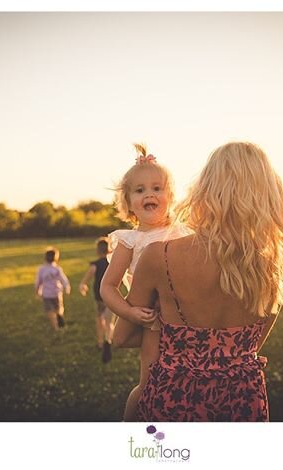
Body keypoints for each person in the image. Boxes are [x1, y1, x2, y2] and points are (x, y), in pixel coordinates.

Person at [115, 141, 283, 421]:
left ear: (206, 188)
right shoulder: (274, 265)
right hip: (243, 401)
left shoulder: (160, 256)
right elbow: (249, 346)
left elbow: (121, 337)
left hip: (173, 400)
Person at [100, 143, 191, 421]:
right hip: (152, 318)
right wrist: (129, 312)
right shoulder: (130, 241)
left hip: (187, 317)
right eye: (139, 191)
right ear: (127, 203)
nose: (149, 194)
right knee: (150, 382)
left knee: (186, 381)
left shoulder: (184, 234)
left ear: (170, 196)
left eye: (156, 188)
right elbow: (107, 287)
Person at [79, 237, 116, 363]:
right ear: (109, 250)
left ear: (98, 251)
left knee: (100, 319)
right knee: (109, 321)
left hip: (99, 297)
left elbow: (86, 279)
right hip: (111, 297)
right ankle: (108, 340)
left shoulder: (95, 265)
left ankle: (100, 342)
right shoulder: (113, 264)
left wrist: (83, 285)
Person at [35, 246, 71, 331]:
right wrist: (67, 287)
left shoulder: (41, 269)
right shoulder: (57, 269)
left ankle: (55, 326)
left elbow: (38, 282)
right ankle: (59, 318)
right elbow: (64, 280)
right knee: (58, 308)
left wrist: (37, 291)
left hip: (47, 294)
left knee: (50, 311)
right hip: (57, 293)